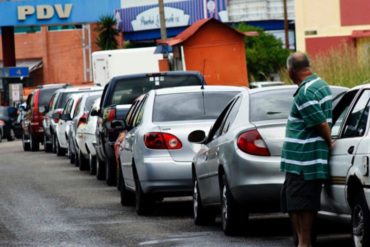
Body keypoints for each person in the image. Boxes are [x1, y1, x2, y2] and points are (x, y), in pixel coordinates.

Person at [280, 52, 333, 247]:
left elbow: (320, 123)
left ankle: (304, 243)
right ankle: (304, 242)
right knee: (296, 203)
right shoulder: (320, 85)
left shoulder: (305, 93)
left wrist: (329, 143)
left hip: (303, 162)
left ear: (291, 70)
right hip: (303, 161)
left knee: (301, 205)